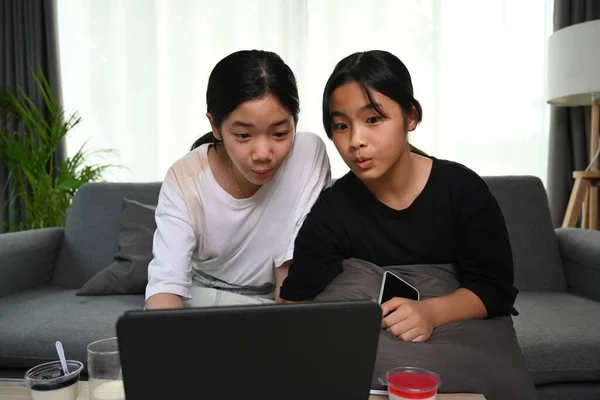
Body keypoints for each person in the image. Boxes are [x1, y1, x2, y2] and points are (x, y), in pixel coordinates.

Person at [279, 50, 537, 399]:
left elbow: (494, 289)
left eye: (373, 119)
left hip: (458, 346)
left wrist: (431, 311)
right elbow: (298, 303)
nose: (356, 140)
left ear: (411, 116)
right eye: (341, 125)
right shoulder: (333, 210)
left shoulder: (462, 190)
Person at [145, 50, 331, 310]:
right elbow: (166, 286)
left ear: (295, 123)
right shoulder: (185, 178)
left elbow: (293, 269)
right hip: (206, 295)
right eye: (244, 135)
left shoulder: (308, 153)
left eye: (280, 133)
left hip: (280, 296)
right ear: (216, 126)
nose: (264, 155)